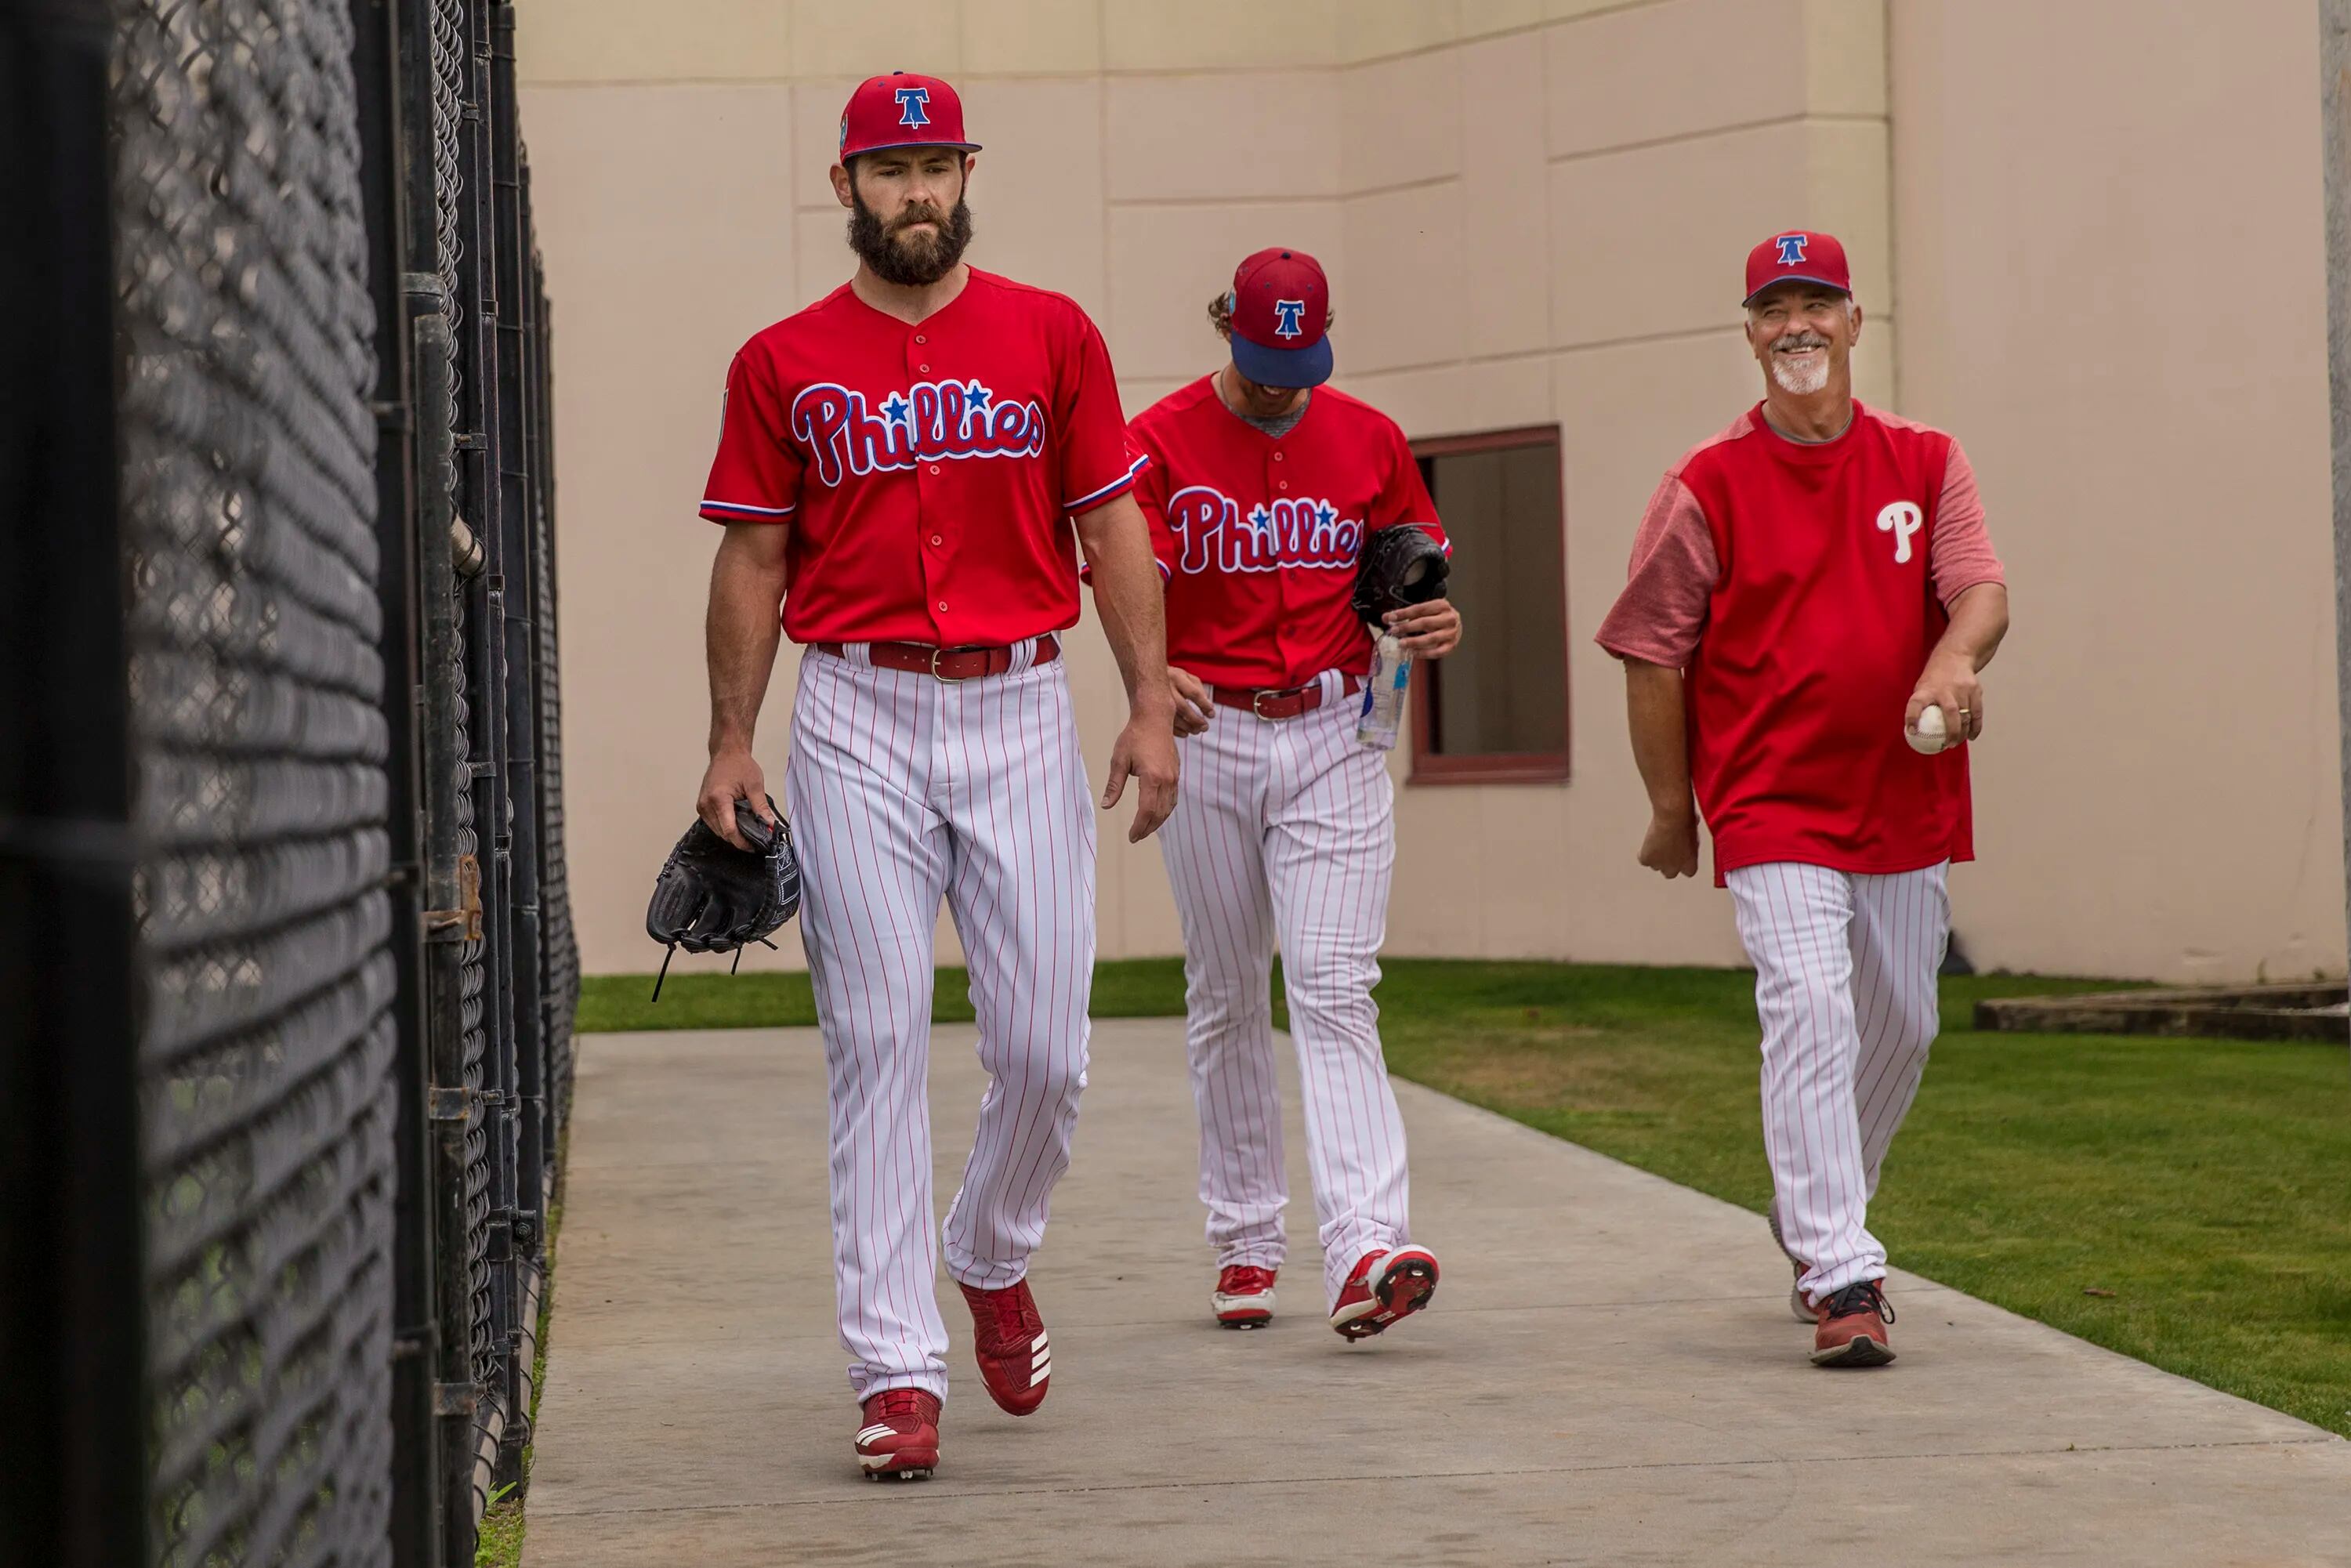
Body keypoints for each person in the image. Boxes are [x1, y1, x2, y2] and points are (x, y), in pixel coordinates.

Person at [694, 72, 1177, 1477]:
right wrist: (733, 733)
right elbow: (753, 560)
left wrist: (1149, 697)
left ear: (968, 175)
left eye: (937, 166)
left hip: (1020, 701)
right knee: (877, 1037)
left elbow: (1112, 523)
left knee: (1048, 1046)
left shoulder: (1051, 334)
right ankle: (897, 1370)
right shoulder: (782, 358)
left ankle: (989, 1246)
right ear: (845, 186)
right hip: (852, 709)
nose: (917, 192)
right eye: (889, 167)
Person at [1595, 230, 2009, 1367]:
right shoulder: (1707, 485)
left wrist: (1953, 660)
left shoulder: (1926, 460)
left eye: (1816, 303)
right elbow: (1651, 651)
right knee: (1812, 1007)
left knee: (1905, 1021)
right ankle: (1841, 1272)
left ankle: (1816, 1204)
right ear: (1749, 334)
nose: (1797, 326)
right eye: (1774, 308)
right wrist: (1672, 808)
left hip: (1902, 786)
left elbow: (1977, 587)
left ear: (1854, 323)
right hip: (1771, 797)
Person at [1125, 247, 1462, 1340]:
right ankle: (1245, 1236)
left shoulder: (1368, 437)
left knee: (1331, 984)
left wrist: (1430, 620)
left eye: (1297, 359)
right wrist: (1148, 672)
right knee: (1228, 988)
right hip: (1211, 728)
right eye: (1262, 358)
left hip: (1332, 729)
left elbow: (1413, 565)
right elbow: (1122, 575)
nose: (1280, 381)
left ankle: (1367, 1241)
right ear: (1227, 327)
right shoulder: (1159, 441)